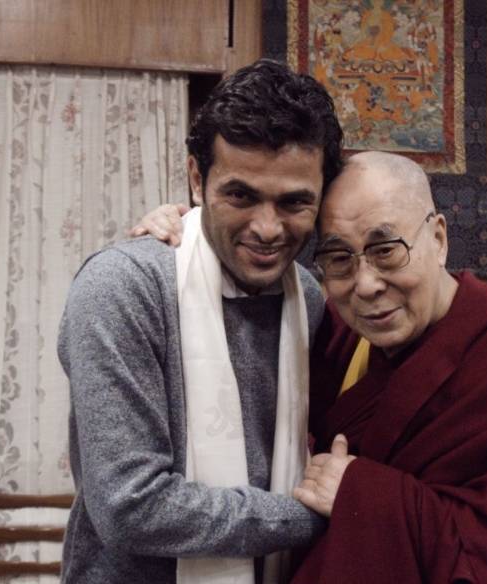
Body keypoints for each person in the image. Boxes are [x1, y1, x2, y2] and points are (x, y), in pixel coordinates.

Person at [138, 151, 487, 583]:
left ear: (438, 238)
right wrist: (189, 236)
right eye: (339, 259)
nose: (366, 285)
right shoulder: (338, 333)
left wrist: (364, 496)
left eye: (386, 250)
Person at [57, 58, 344, 583]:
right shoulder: (124, 288)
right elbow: (130, 506)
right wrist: (318, 516)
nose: (267, 227)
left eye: (294, 202)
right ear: (196, 178)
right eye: (240, 195)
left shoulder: (311, 297)